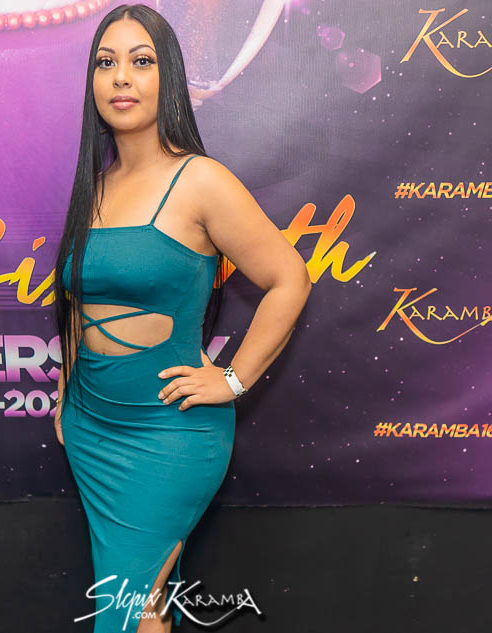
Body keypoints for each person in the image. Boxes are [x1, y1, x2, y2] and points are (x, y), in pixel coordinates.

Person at [51, 5, 311, 631]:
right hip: (90, 428)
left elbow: (289, 278)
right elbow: (80, 303)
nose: (121, 77)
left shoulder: (201, 181)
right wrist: (64, 394)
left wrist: (233, 379)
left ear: (168, 76)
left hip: (167, 436)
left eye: (141, 61)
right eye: (106, 62)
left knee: (121, 612)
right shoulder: (95, 186)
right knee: (143, 608)